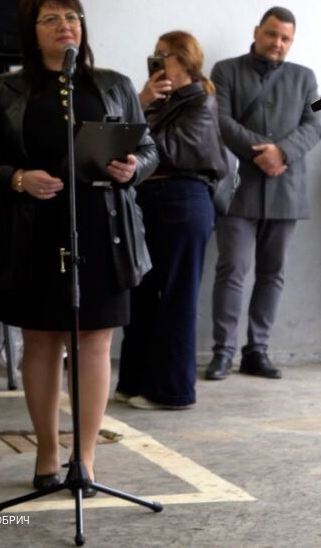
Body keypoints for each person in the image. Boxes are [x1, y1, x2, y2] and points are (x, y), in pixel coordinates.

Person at [0, 0, 157, 493]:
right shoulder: (5, 89)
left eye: (73, 17)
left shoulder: (113, 84)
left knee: (94, 341)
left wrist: (132, 167)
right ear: (31, 31)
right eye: (51, 19)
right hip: (31, 229)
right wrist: (17, 178)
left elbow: (149, 148)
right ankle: (46, 454)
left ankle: (84, 459)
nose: (65, 26)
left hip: (103, 227)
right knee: (41, 340)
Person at [204, 6, 321, 381]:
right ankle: (223, 352)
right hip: (237, 189)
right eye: (272, 34)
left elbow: (314, 125)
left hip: (286, 189)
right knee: (232, 270)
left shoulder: (304, 77)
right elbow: (220, 121)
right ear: (257, 32)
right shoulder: (225, 70)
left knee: (273, 274)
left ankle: (257, 350)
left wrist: (282, 152)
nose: (277, 43)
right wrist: (264, 152)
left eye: (285, 38)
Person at [116, 31, 227, 410]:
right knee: (142, 294)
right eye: (156, 54)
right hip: (151, 200)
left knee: (176, 296)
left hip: (183, 200)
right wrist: (142, 102)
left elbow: (163, 150)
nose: (157, 60)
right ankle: (134, 381)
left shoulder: (201, 101)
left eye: (164, 54)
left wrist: (142, 111)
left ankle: (172, 391)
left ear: (184, 59)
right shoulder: (163, 102)